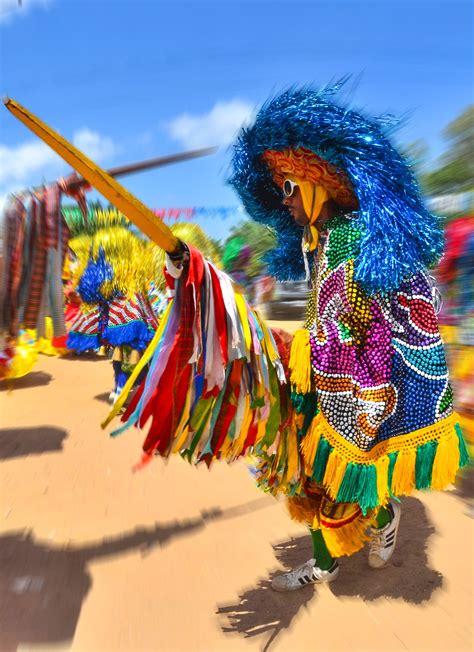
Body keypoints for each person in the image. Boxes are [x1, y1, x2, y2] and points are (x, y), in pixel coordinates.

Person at [105, 83, 468, 590]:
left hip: (362, 386)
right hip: (322, 373)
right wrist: (204, 280)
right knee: (303, 471)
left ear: (318, 184)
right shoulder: (316, 240)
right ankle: (325, 562)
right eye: (280, 190)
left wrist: (293, 348)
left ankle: (383, 521)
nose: (285, 202)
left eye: (289, 188)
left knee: (350, 478)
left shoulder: (356, 237)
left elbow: (365, 327)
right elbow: (325, 320)